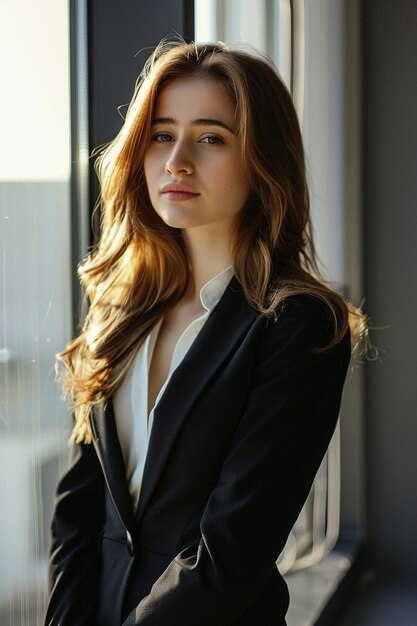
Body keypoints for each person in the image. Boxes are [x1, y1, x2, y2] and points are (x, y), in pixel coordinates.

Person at [45, 40, 361, 625]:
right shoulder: (122, 307)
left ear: (262, 160)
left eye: (211, 138)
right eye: (162, 135)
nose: (177, 161)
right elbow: (79, 509)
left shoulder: (298, 323)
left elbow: (233, 548)